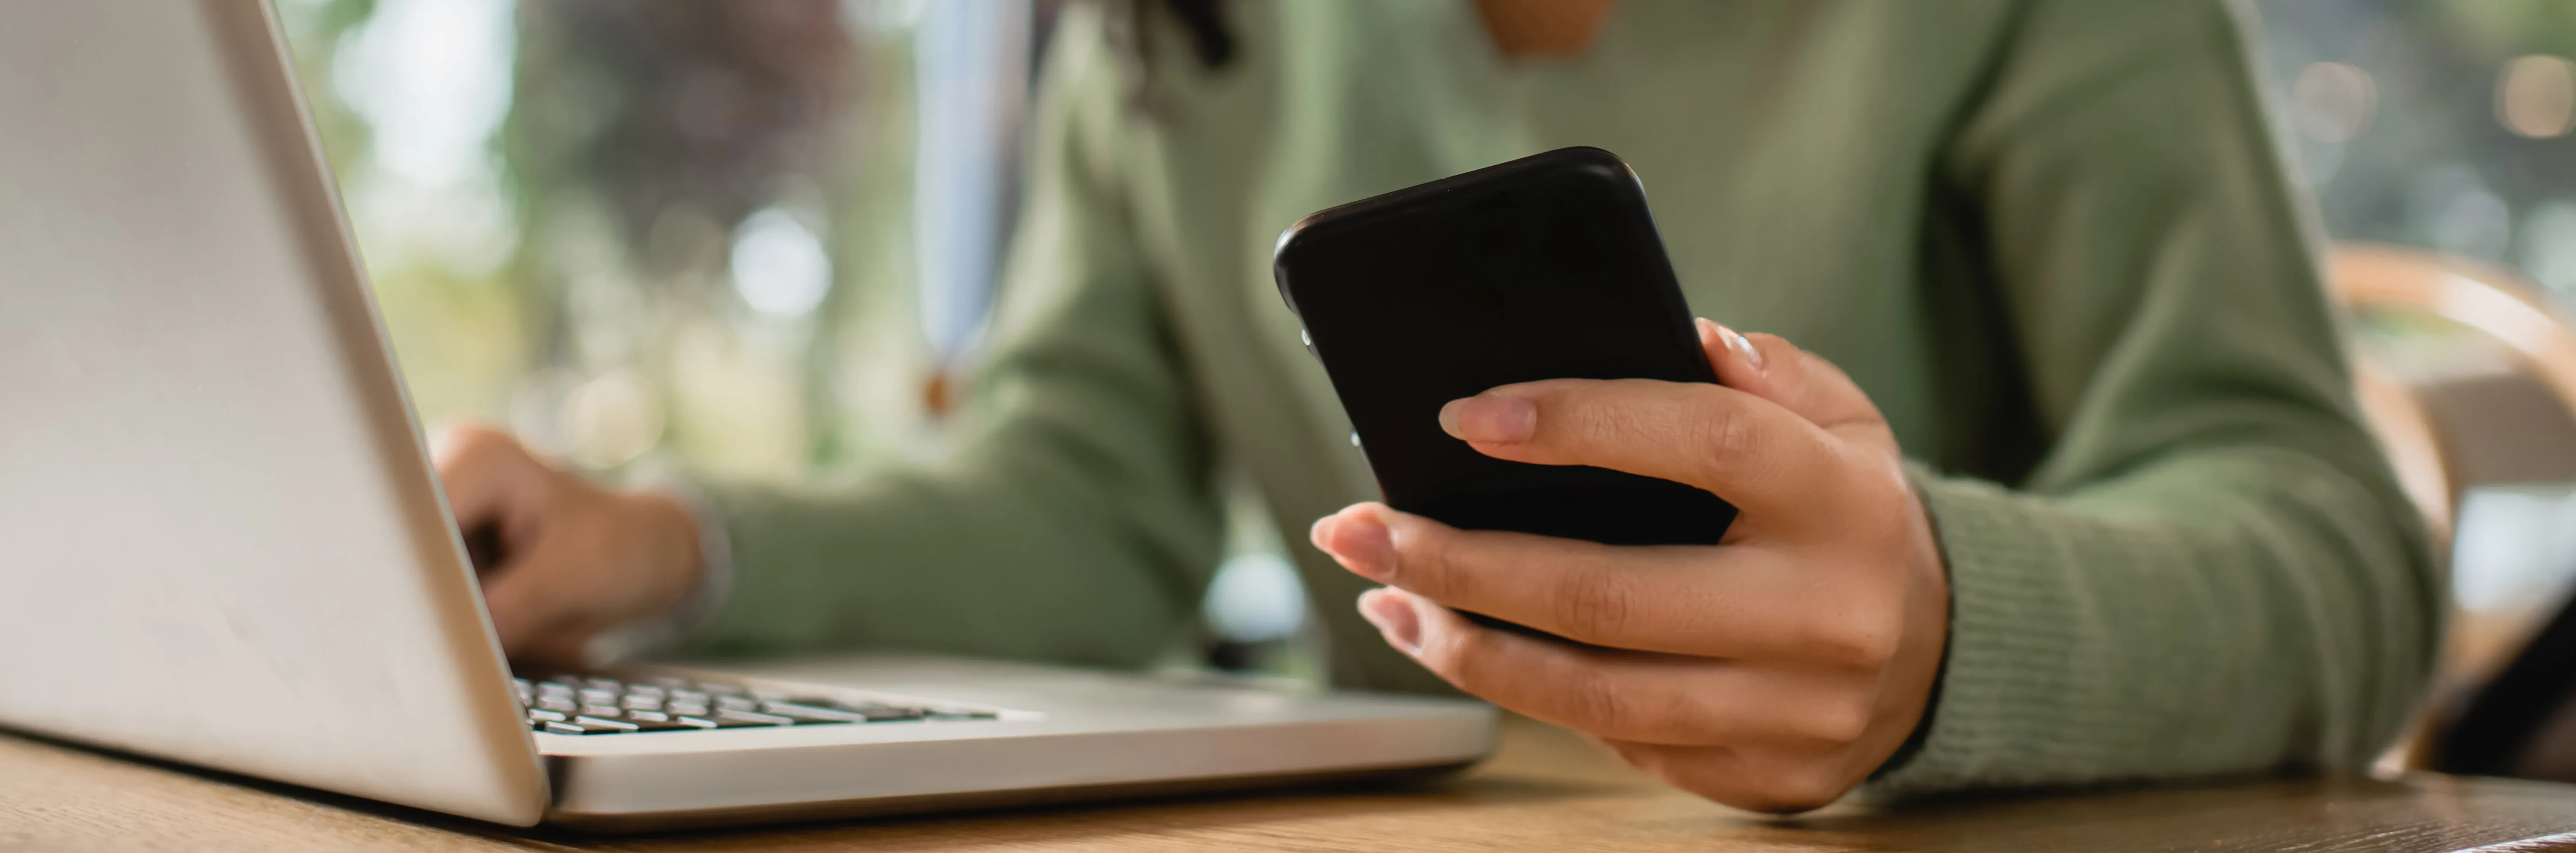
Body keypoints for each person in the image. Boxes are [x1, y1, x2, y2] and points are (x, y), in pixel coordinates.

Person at [434, 0, 2439, 812]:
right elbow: (1079, 494)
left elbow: (2326, 537)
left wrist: (1945, 631)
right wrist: (671, 548)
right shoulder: (1174, 30)